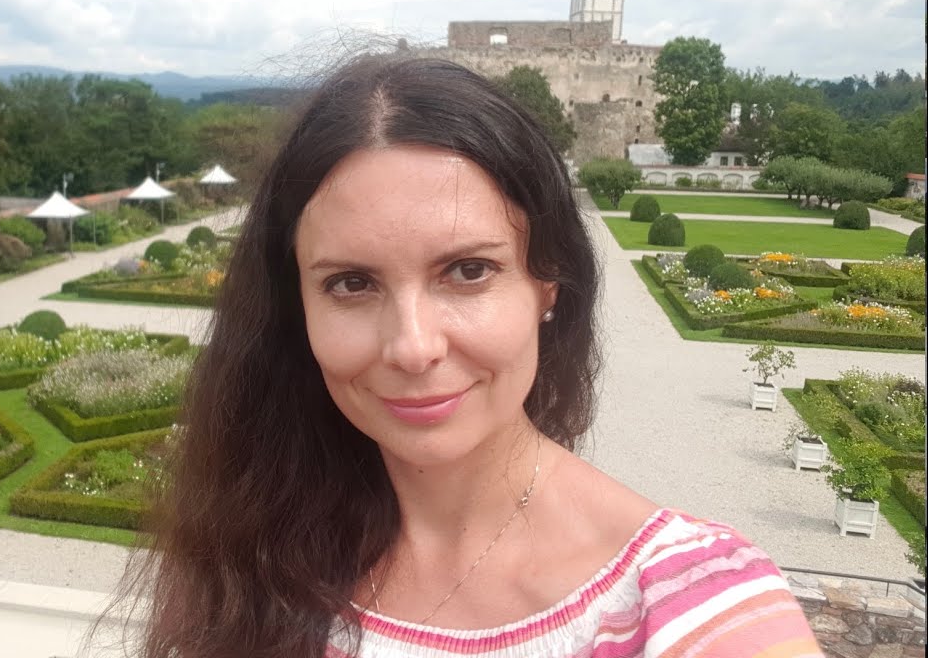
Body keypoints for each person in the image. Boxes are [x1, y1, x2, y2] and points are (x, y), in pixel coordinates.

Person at [102, 55, 822, 657]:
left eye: (467, 271)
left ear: (549, 281)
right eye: (351, 284)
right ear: (299, 311)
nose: (413, 347)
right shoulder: (256, 550)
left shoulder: (692, 609)